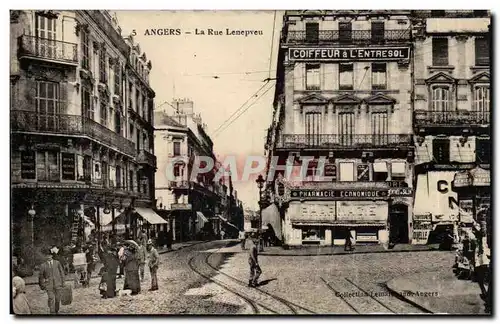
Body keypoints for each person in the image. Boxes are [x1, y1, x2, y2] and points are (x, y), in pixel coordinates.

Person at [38, 248, 65, 314]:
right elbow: (40, 276)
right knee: (51, 298)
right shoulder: (43, 265)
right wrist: (42, 285)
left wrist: (63, 282)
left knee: (58, 299)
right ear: (45, 256)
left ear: (52, 255)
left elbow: (62, 272)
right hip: (48, 285)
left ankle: (56, 310)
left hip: (58, 284)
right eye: (47, 255)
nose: (48, 257)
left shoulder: (57, 263)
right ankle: (52, 312)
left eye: (49, 255)